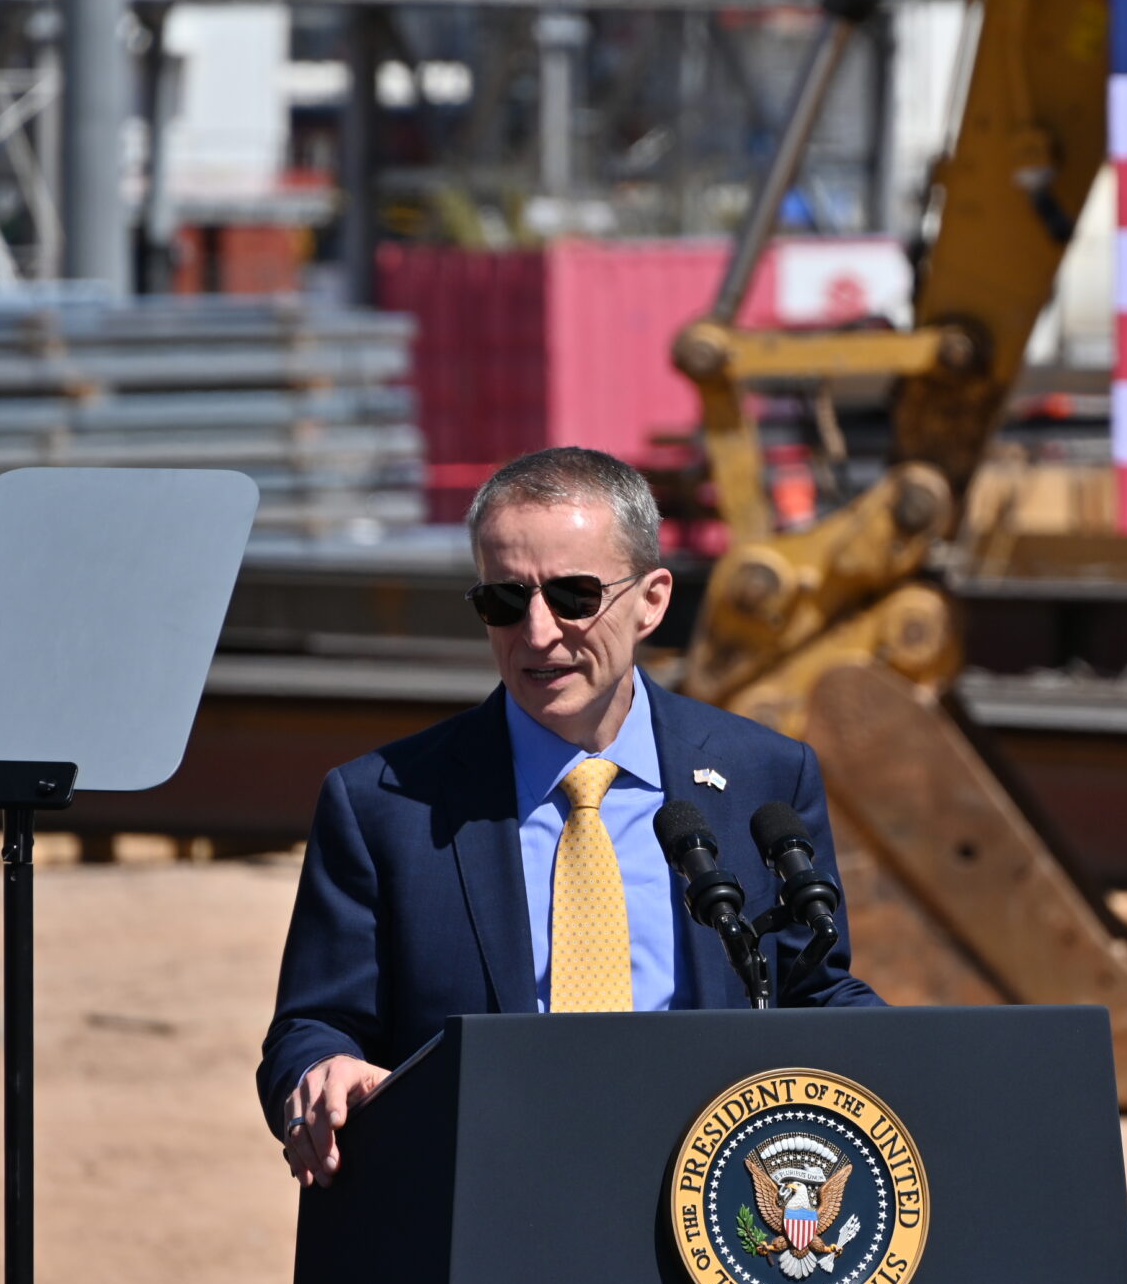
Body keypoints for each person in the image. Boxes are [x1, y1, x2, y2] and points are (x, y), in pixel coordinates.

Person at [258, 446, 881, 1185]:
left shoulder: (763, 777)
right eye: (504, 600)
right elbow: (311, 1028)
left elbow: (812, 987)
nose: (539, 631)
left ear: (652, 600)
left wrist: (920, 1062)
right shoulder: (382, 804)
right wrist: (322, 1071)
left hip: (709, 1209)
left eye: (574, 596)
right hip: (487, 1199)